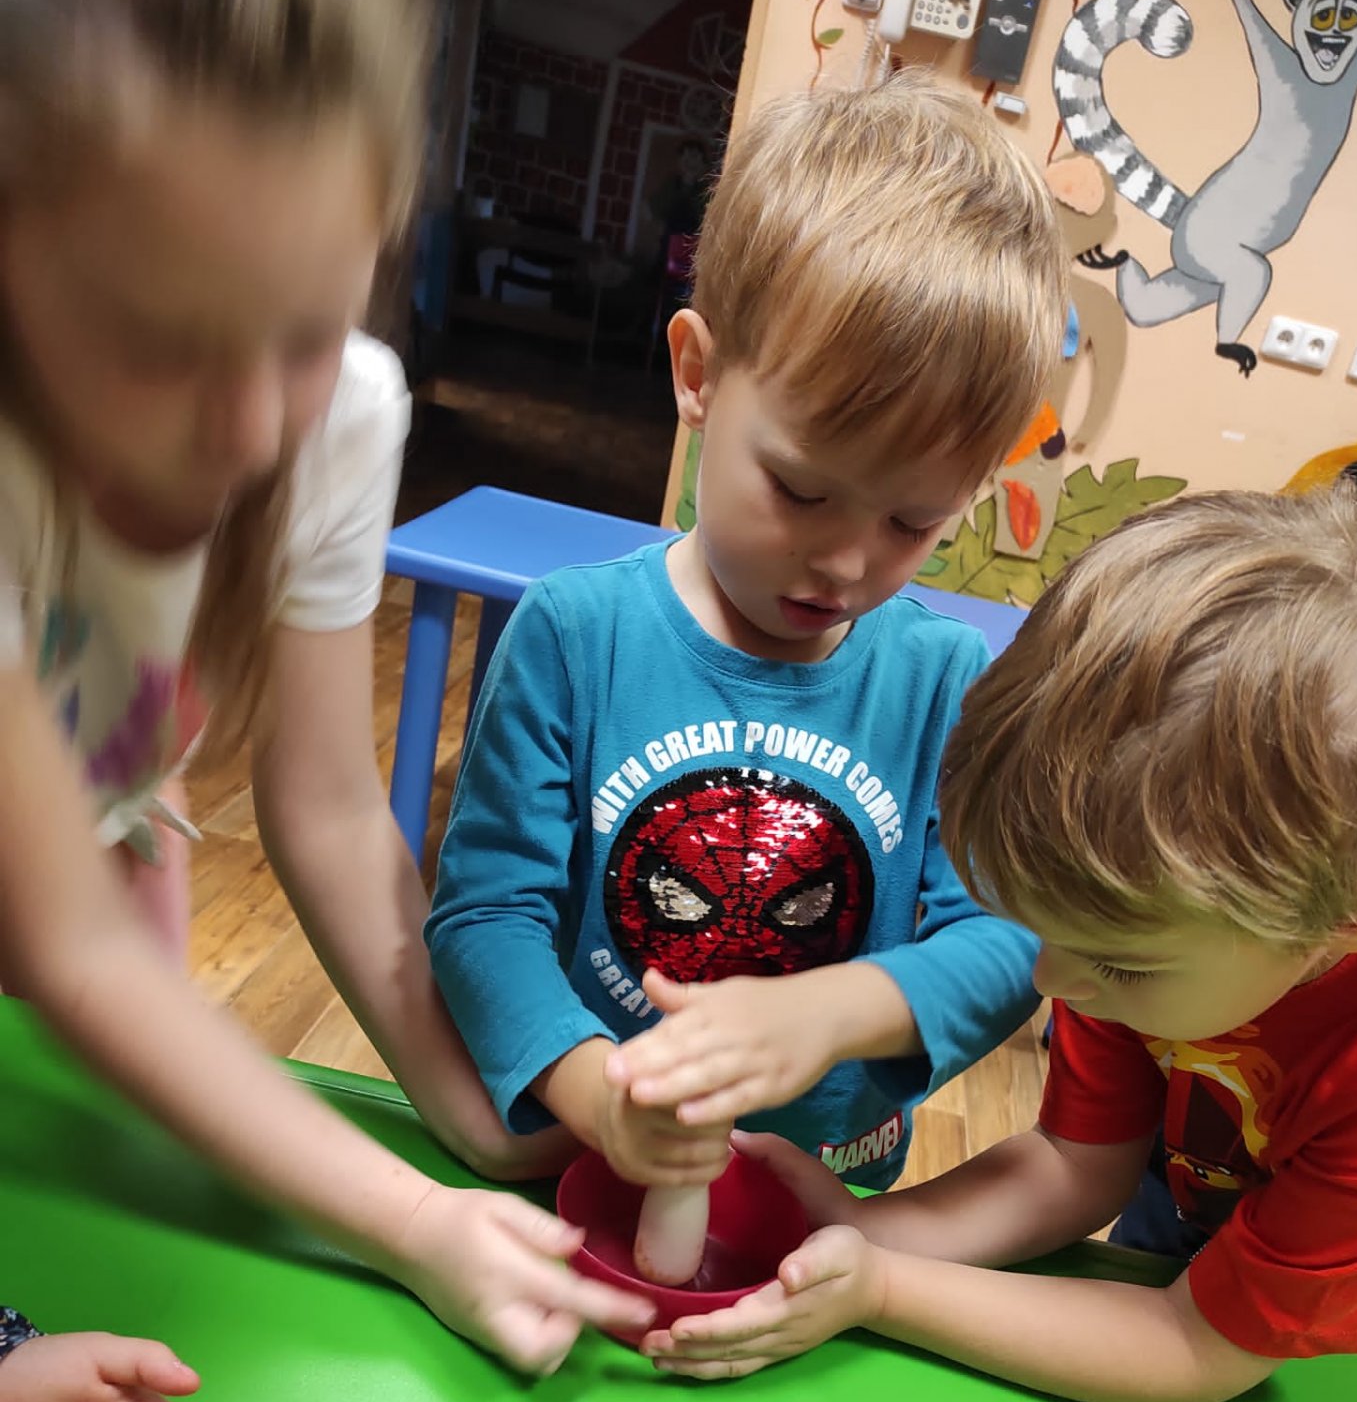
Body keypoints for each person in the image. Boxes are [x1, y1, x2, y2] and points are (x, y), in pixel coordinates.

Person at [0, 0, 647, 1402]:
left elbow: (329, 810)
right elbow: (64, 949)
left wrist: (484, 1114)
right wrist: (409, 1224)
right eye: (157, 342)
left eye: (303, 330)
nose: (244, 427)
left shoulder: (339, 413)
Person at [640, 489, 1357, 1402]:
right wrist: (856, 1230)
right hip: (1210, 1188)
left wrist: (883, 1289)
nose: (1050, 979)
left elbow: (1193, 1348)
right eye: (1048, 933)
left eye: (1119, 963)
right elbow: (1074, 1164)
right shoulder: (1152, 934)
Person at [426, 74, 1066, 1200]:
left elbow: (1010, 942)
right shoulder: (574, 635)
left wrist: (834, 1013)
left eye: (913, 522)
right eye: (802, 491)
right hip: (579, 1161)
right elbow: (486, 916)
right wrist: (595, 1093)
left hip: (823, 1194)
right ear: (698, 376)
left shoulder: (943, 681)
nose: (847, 563)